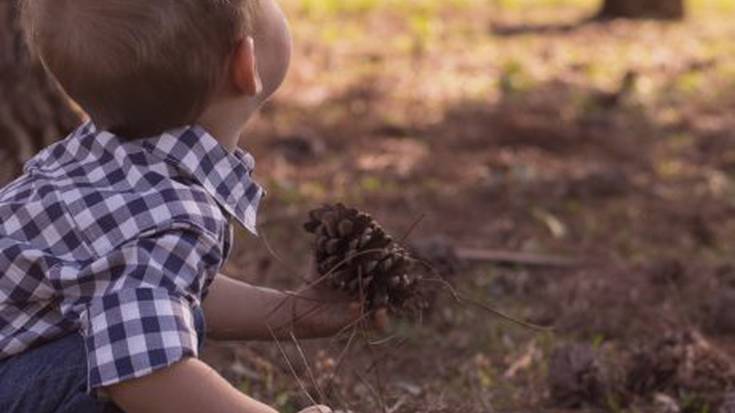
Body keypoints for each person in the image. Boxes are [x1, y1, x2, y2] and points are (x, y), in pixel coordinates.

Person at [0, 1, 355, 412]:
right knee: (119, 362)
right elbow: (147, 378)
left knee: (148, 331)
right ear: (247, 63)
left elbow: (168, 287)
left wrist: (293, 313)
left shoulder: (99, 154)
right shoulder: (170, 212)